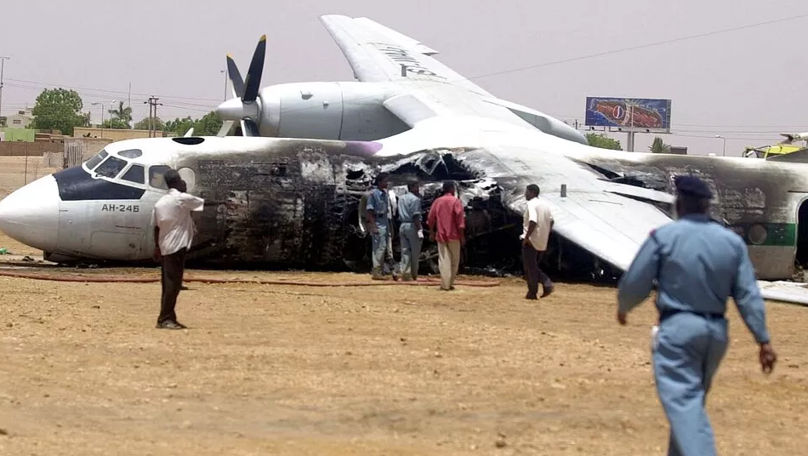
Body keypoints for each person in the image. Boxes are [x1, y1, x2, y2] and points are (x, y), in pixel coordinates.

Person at [617, 175, 777, 456]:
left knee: (685, 405)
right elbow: (747, 295)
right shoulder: (732, 243)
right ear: (707, 207)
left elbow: (635, 282)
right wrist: (762, 339)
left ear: (679, 204)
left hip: (677, 331)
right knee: (690, 404)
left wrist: (624, 306)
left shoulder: (665, 237)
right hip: (715, 335)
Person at [152, 169, 204, 329]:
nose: (184, 183)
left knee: (168, 284)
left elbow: (156, 228)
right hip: (177, 246)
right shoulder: (181, 199)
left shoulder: (160, 203)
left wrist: (157, 248)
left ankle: (168, 316)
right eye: (181, 180)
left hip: (165, 246)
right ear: (176, 182)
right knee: (173, 285)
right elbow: (201, 203)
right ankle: (165, 318)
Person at [427, 181, 465, 290]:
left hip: (441, 235)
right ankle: (450, 283)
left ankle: (445, 284)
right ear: (452, 189)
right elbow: (460, 221)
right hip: (454, 235)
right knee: (454, 260)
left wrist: (431, 232)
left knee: (444, 260)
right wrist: (462, 236)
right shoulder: (456, 201)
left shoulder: (437, 201)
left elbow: (430, 218)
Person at [520, 184, 554, 300]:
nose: (525, 194)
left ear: (532, 192)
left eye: (527, 192)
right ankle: (532, 292)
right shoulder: (545, 205)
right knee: (531, 265)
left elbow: (533, 221)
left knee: (530, 266)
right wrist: (545, 233)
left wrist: (527, 237)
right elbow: (551, 221)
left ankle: (545, 283)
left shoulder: (531, 204)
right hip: (541, 240)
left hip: (531, 239)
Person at [366, 172, 398, 280]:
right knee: (379, 247)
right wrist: (373, 226)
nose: (387, 183)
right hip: (378, 222)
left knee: (385, 248)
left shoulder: (385, 194)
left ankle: (380, 270)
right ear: (379, 182)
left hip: (385, 222)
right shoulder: (373, 194)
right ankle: (376, 271)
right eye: (385, 181)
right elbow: (369, 212)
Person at [398, 180, 423, 281]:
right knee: (415, 251)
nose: (418, 189)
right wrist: (419, 229)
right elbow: (416, 216)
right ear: (412, 187)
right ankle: (414, 274)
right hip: (412, 226)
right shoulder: (415, 199)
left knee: (405, 251)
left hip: (402, 225)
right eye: (417, 187)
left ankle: (405, 273)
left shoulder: (401, 198)